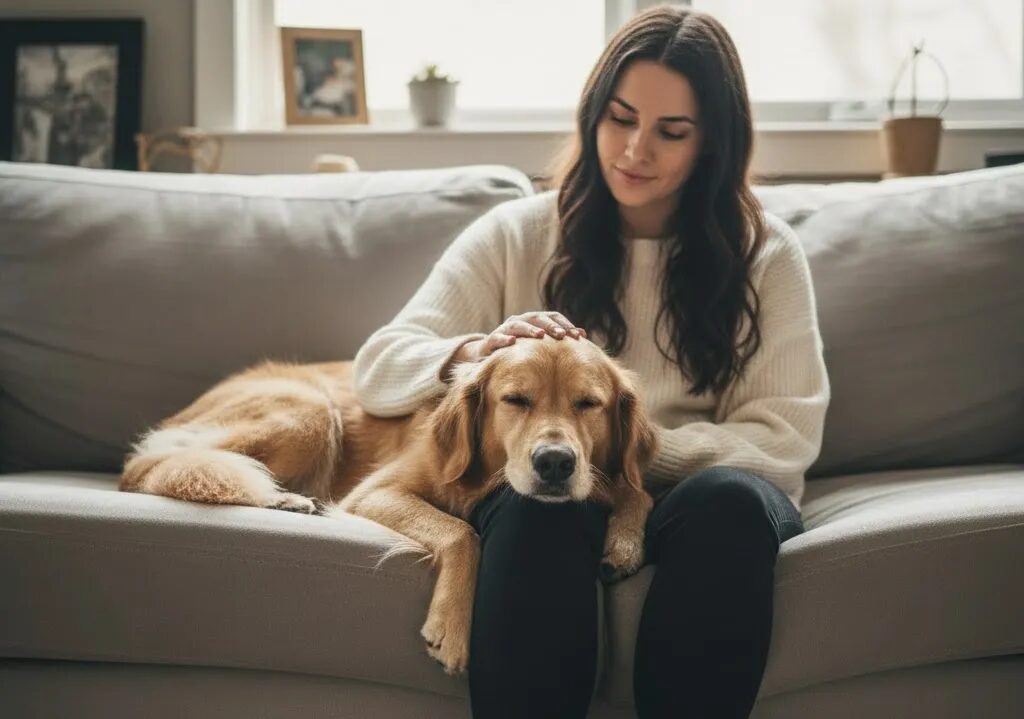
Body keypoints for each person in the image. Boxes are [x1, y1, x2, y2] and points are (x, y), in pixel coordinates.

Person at [352, 4, 830, 718]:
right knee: (534, 497)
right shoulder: (516, 234)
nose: (636, 149)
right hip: (556, 486)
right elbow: (379, 366)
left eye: (671, 132)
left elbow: (785, 442)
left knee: (729, 502)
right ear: (591, 116)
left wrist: (623, 447)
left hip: (695, 496)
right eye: (619, 117)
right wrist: (478, 350)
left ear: (713, 144)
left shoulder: (766, 256)